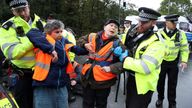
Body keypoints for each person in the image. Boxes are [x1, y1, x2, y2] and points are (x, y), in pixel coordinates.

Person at [26, 19, 89, 108]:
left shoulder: (63, 41)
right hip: (44, 83)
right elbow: (31, 33)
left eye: (61, 31)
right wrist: (51, 50)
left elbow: (76, 49)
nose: (60, 34)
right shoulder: (43, 38)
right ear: (49, 32)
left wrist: (87, 49)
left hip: (61, 84)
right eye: (56, 32)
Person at [111, 7, 166, 108]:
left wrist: (125, 59)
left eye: (144, 22)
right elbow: (126, 44)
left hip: (143, 85)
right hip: (131, 77)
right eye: (139, 20)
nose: (140, 24)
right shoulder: (134, 30)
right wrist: (120, 48)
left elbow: (145, 67)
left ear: (153, 23)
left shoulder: (158, 42)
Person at [0, 0, 46, 108]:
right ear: (13, 12)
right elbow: (12, 53)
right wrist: (34, 41)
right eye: (18, 11)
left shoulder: (41, 23)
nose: (22, 13)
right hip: (23, 76)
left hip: (43, 74)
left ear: (29, 7)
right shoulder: (7, 27)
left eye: (24, 9)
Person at [77, 19, 126, 108]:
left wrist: (111, 68)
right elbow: (80, 40)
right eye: (111, 25)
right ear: (104, 27)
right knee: (87, 103)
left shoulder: (118, 44)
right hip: (88, 76)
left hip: (104, 81)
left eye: (116, 27)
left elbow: (125, 63)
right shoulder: (92, 36)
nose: (113, 28)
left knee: (101, 104)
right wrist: (84, 44)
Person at [155, 14, 189, 108]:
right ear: (166, 22)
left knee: (172, 85)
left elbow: (184, 48)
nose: (175, 24)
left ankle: (172, 103)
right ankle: (160, 99)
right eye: (173, 22)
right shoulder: (159, 33)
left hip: (173, 63)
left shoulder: (180, 34)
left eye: (176, 22)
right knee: (160, 83)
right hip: (161, 62)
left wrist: (184, 61)